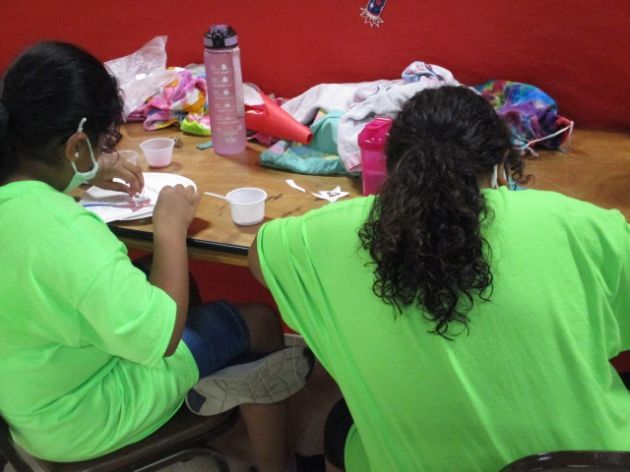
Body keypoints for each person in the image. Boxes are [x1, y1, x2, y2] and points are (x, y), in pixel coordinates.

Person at [249, 85, 630, 471]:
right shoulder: (583, 225)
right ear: (501, 166)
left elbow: (257, 258)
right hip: (591, 463)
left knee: (340, 421)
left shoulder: (325, 236)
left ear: (392, 171)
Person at [0, 41, 314, 472]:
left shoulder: (18, 198)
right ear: (75, 148)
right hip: (84, 416)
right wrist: (169, 228)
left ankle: (207, 384)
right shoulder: (65, 231)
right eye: (100, 143)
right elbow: (162, 336)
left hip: (26, 398)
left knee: (162, 276)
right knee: (258, 321)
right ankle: (278, 464)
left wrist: (91, 169)